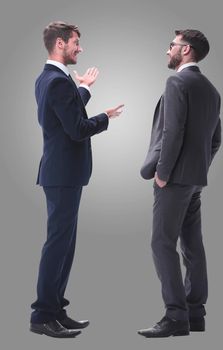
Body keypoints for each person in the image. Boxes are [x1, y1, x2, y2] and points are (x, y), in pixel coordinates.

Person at [30, 21, 124, 338]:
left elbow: (65, 115)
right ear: (60, 43)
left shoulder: (51, 79)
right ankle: (42, 315)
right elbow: (76, 129)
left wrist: (83, 89)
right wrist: (105, 118)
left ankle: (56, 310)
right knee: (57, 245)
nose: (79, 49)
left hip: (63, 173)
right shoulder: (56, 82)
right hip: (62, 174)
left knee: (65, 245)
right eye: (75, 43)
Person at [138, 29, 221, 338]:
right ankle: (195, 315)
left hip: (172, 180)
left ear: (185, 50)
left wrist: (163, 172)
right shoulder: (212, 90)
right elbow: (216, 139)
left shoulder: (177, 82)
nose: (167, 50)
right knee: (192, 245)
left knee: (161, 243)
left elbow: (173, 132)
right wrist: (198, 168)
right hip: (195, 180)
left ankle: (175, 317)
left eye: (171, 45)